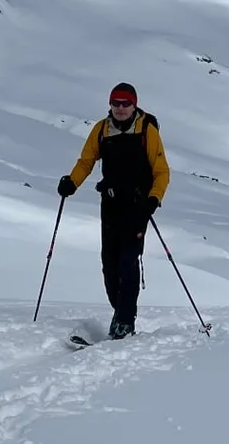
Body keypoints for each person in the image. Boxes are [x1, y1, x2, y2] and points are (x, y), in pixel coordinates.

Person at [57, 82, 170, 340]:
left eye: (125, 103)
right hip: (109, 206)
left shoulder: (146, 131)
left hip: (137, 208)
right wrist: (72, 182)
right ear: (110, 104)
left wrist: (153, 199)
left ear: (134, 105)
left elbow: (162, 171)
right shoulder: (101, 130)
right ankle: (120, 313)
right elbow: (86, 161)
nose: (120, 108)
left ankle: (124, 323)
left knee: (128, 262)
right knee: (109, 267)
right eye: (115, 103)